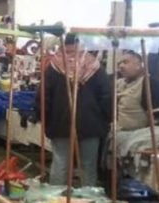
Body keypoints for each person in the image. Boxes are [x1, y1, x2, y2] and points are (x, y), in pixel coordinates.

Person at [40, 34, 111, 186]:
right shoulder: (94, 66)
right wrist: (106, 119)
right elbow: (106, 97)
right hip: (91, 123)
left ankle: (56, 197)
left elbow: (43, 98)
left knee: (60, 163)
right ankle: (87, 198)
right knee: (88, 165)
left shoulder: (54, 66)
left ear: (63, 45)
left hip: (60, 123)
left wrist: (43, 119)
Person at [117, 51, 159, 132]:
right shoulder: (118, 83)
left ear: (138, 65)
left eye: (125, 62)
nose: (121, 66)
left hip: (140, 134)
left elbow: (157, 118)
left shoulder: (148, 84)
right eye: (119, 64)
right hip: (117, 132)